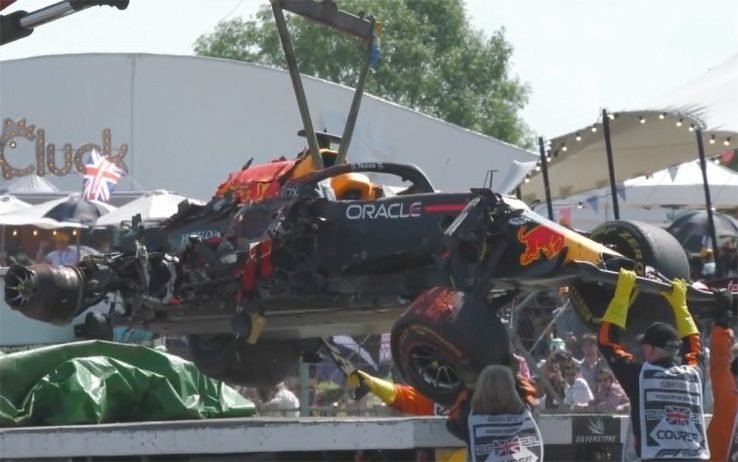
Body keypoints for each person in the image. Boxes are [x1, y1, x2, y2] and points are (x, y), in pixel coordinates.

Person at [598, 269, 709, 460]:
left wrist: (622, 295)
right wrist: (681, 306)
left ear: (650, 349)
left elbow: (606, 342)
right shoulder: (694, 375)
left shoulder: (640, 376)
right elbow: (695, 349)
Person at [445, 365, 543, 462]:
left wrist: (462, 398)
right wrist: (519, 381)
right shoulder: (527, 414)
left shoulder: (469, 419)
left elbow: (450, 422)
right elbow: (533, 399)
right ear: (511, 386)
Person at [706, 313, 738, 462]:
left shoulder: (729, 394)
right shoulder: (729, 393)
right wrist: (722, 322)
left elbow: (720, 360)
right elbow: (720, 359)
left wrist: (722, 321)